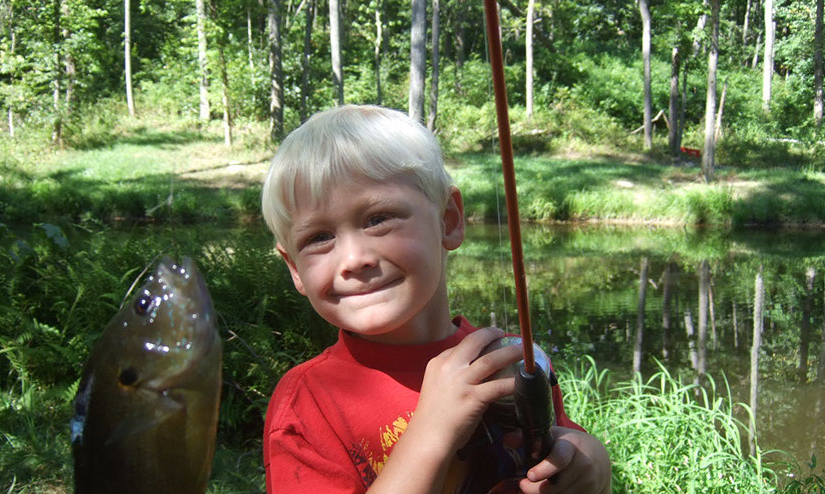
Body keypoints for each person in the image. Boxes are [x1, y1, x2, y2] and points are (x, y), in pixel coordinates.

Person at [261, 104, 611, 494]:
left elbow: (562, 453)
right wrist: (431, 434)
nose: (353, 259)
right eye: (318, 238)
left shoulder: (510, 361)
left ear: (449, 220)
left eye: (378, 219)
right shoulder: (306, 407)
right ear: (294, 268)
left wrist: (591, 464)